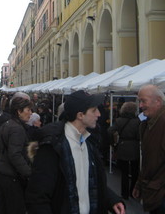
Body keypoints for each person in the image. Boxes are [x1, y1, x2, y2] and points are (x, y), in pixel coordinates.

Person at [25, 90, 126, 214]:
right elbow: (38, 197)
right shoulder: (53, 146)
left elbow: (91, 180)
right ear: (80, 115)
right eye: (94, 110)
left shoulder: (89, 141)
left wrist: (112, 200)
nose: (99, 114)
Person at [0, 92, 33, 214]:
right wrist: (29, 173)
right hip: (11, 177)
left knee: (3, 207)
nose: (31, 113)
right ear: (19, 111)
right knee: (15, 208)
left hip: (2, 172)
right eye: (28, 110)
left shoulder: (7, 124)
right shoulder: (17, 129)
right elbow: (14, 154)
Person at [132, 84, 165, 213]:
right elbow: (147, 160)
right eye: (140, 101)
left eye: (143, 101)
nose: (140, 106)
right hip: (154, 192)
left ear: (158, 101)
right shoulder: (147, 123)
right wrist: (139, 184)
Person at [108, 101, 140, 200]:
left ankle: (124, 194)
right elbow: (140, 135)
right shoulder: (138, 120)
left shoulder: (119, 120)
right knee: (135, 171)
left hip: (122, 146)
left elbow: (110, 131)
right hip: (134, 147)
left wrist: (113, 143)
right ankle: (132, 192)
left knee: (124, 173)